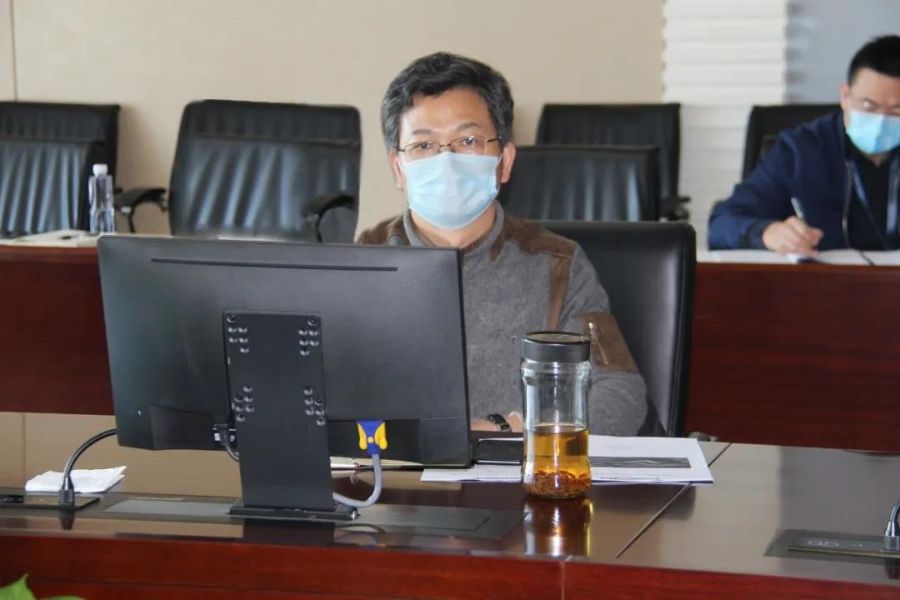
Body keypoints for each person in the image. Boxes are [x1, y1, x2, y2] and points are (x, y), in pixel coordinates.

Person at [357, 52, 649, 435]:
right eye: (424, 145)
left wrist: (512, 432)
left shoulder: (558, 264)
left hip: (521, 468)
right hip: (393, 472)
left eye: (468, 140)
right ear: (399, 168)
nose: (446, 161)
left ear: (505, 161)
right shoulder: (361, 262)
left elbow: (620, 394)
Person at [708, 35, 900, 254]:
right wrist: (767, 233)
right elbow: (722, 223)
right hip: (822, 274)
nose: (881, 121)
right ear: (845, 96)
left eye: (896, 111)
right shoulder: (801, 151)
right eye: (869, 106)